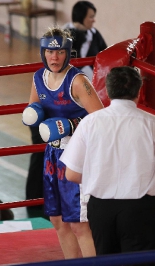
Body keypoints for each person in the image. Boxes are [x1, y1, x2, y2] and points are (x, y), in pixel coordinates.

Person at [60, 66, 155, 262]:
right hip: (140, 210)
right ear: (139, 91)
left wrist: (100, 176)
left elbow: (72, 175)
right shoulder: (154, 124)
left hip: (101, 210)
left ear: (108, 91)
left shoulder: (89, 123)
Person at [21, 27, 104, 258]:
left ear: (68, 53)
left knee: (79, 224)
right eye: (49, 51)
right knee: (57, 221)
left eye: (59, 52)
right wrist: (34, 115)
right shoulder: (38, 78)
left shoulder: (77, 81)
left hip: (77, 155)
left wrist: (70, 125)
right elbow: (33, 111)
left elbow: (101, 119)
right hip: (52, 154)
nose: (54, 57)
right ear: (43, 52)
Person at [63, 1, 107, 80]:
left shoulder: (94, 33)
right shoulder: (64, 35)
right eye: (91, 17)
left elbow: (105, 52)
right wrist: (79, 32)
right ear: (81, 18)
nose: (94, 20)